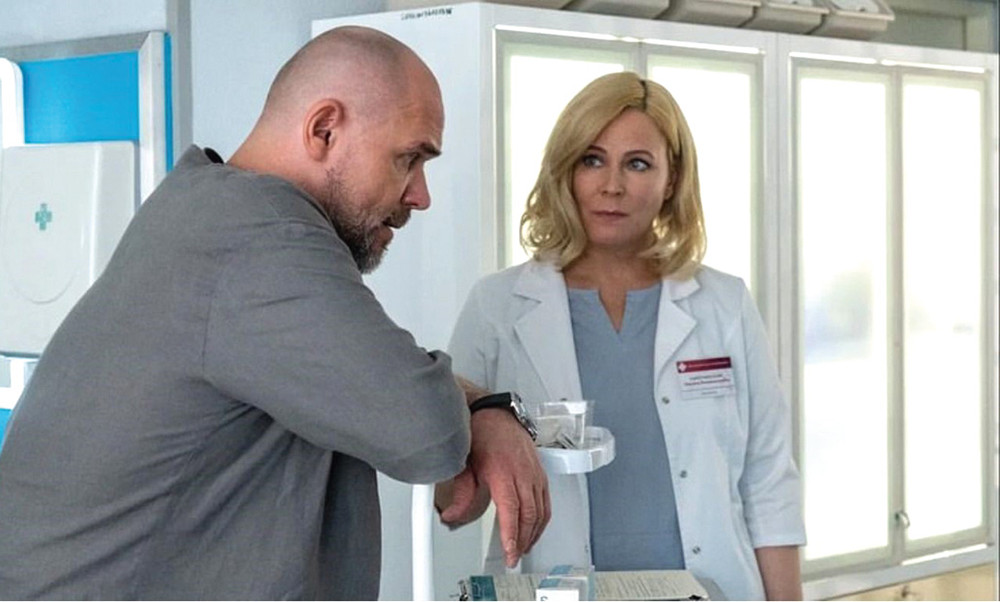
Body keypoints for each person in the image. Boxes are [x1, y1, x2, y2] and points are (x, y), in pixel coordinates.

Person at [0, 26, 548, 600]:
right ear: (324, 129)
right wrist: (483, 412)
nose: (420, 195)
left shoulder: (208, 206)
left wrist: (478, 406)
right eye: (408, 159)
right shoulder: (259, 235)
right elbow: (426, 431)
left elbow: (378, 380)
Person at [448, 72, 806, 600]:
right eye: (592, 159)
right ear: (565, 169)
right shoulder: (498, 306)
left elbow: (768, 482)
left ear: (671, 178)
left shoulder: (723, 303)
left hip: (709, 589)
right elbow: (454, 498)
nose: (611, 185)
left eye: (637, 164)